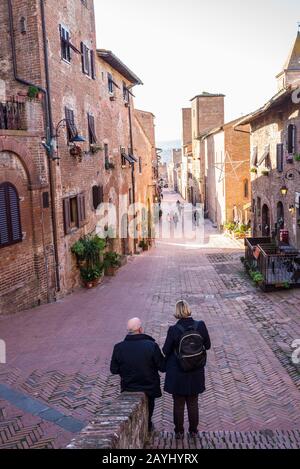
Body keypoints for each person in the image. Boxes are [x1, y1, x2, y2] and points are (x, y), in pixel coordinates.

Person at [162, 300, 211, 439]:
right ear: (189, 310)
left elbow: (165, 350)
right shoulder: (200, 325)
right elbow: (207, 346)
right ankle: (194, 431)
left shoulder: (173, 329)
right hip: (195, 370)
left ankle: (179, 432)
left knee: (178, 403)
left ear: (177, 312)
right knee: (193, 401)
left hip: (178, 371)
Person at [110, 318, 165, 432]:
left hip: (129, 386)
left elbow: (113, 370)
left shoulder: (119, 347)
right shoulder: (151, 345)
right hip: (149, 386)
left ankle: (144, 428)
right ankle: (148, 425)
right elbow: (162, 367)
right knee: (150, 407)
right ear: (140, 329)